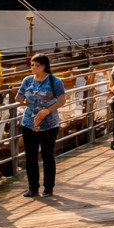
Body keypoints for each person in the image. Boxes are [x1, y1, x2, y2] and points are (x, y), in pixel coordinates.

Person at [15, 53, 67, 198]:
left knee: (47, 155)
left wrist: (47, 110)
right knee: (30, 156)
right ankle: (33, 188)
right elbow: (19, 97)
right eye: (32, 65)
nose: (33, 68)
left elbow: (62, 100)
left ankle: (48, 188)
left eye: (36, 65)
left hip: (49, 123)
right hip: (29, 123)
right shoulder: (27, 80)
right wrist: (21, 98)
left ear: (43, 66)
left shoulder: (54, 81)